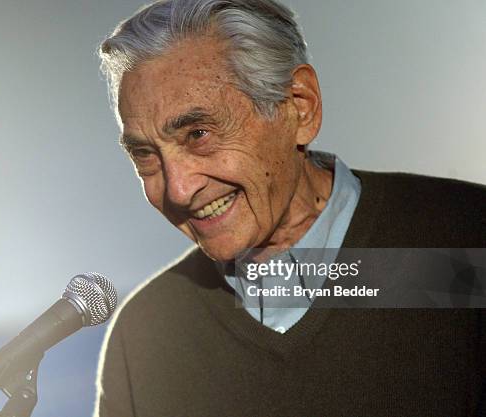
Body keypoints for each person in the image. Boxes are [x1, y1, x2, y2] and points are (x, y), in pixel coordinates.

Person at [95, 1, 486, 416]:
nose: (178, 188)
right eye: (145, 155)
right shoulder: (146, 334)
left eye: (199, 133)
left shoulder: (467, 240)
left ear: (300, 107)